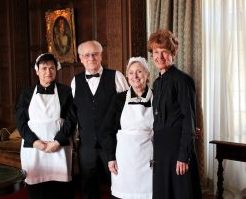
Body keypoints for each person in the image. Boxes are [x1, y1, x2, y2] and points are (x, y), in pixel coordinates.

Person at [147, 29, 202, 199]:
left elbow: (188, 119)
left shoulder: (183, 80)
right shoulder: (156, 84)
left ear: (173, 54)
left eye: (165, 52)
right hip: (161, 150)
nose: (160, 56)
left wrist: (184, 156)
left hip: (178, 148)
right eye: (156, 52)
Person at [71, 40, 129, 199]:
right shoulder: (75, 81)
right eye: (87, 55)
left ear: (101, 55)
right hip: (87, 145)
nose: (91, 58)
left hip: (113, 145)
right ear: (81, 58)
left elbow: (128, 110)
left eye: (95, 54)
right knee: (88, 188)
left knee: (118, 185)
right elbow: (74, 114)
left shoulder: (116, 76)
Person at [15, 53, 77, 199]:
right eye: (44, 68)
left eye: (51, 68)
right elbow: (21, 122)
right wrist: (35, 142)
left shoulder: (66, 92)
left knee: (60, 190)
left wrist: (57, 142)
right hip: (34, 148)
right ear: (37, 71)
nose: (48, 72)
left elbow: (71, 119)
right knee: (37, 190)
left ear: (56, 70)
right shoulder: (26, 93)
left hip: (59, 147)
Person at [101, 57, 153, 199]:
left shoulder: (158, 97)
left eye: (139, 72)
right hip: (124, 160)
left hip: (149, 159)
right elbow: (107, 131)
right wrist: (111, 158)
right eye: (131, 73)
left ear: (147, 74)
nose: (135, 76)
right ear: (127, 76)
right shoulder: (118, 99)